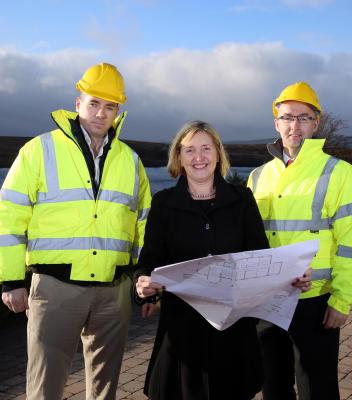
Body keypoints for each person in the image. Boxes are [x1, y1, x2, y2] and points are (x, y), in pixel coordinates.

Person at [0, 62, 152, 399]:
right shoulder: (39, 150)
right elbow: (8, 217)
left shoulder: (131, 160)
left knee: (104, 389)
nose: (101, 113)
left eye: (109, 106)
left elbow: (144, 223)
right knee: (45, 387)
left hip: (114, 292)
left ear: (118, 110)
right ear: (77, 102)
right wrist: (10, 280)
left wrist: (142, 277)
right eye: (94, 103)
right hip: (55, 290)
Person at [134, 120, 311, 400]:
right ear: (178, 157)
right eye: (189, 150)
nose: (199, 157)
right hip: (182, 332)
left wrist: (290, 278)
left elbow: (260, 258)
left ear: (218, 154)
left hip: (233, 330)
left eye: (206, 148)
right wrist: (142, 285)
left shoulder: (242, 199)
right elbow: (149, 262)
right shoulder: (164, 203)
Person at [247, 81, 352, 400]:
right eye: (288, 117)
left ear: (316, 123)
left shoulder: (340, 174)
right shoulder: (258, 176)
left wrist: (342, 301)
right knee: (273, 385)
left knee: (317, 388)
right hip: (268, 299)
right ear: (276, 122)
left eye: (304, 117)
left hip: (315, 301)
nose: (295, 126)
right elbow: (249, 240)